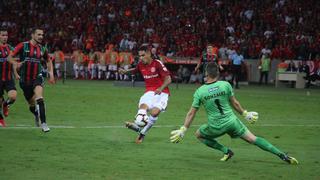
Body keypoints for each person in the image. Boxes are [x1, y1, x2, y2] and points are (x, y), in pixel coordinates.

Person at [170, 62, 298, 164]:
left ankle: (226, 151)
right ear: (217, 73)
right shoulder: (225, 85)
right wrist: (245, 113)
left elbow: (192, 113)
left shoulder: (200, 91)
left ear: (206, 74)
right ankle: (282, 155)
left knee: (199, 134)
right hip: (232, 121)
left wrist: (183, 129)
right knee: (253, 139)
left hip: (216, 126)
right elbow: (235, 103)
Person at [119, 46, 171, 144]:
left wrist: (161, 88)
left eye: (143, 55)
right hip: (149, 92)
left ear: (149, 53)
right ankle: (138, 126)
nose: (141, 58)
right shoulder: (140, 65)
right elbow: (134, 71)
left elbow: (168, 79)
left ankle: (142, 132)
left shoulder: (157, 63)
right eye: (140, 56)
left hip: (163, 92)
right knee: (142, 109)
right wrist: (125, 72)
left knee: (155, 113)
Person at [8, 27, 55, 132]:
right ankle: (36, 114)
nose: (41, 37)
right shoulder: (23, 46)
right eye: (38, 34)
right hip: (24, 80)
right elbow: (9, 57)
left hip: (37, 77)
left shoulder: (42, 49)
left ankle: (44, 123)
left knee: (39, 97)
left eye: (42, 35)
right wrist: (16, 63)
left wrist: (51, 74)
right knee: (32, 104)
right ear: (32, 35)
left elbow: (48, 60)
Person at [0, 27, 17, 127]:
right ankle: (1, 119)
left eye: (6, 35)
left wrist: (16, 74)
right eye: (2, 35)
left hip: (8, 78)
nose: (5, 37)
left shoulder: (11, 48)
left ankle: (6, 104)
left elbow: (14, 62)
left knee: (13, 96)